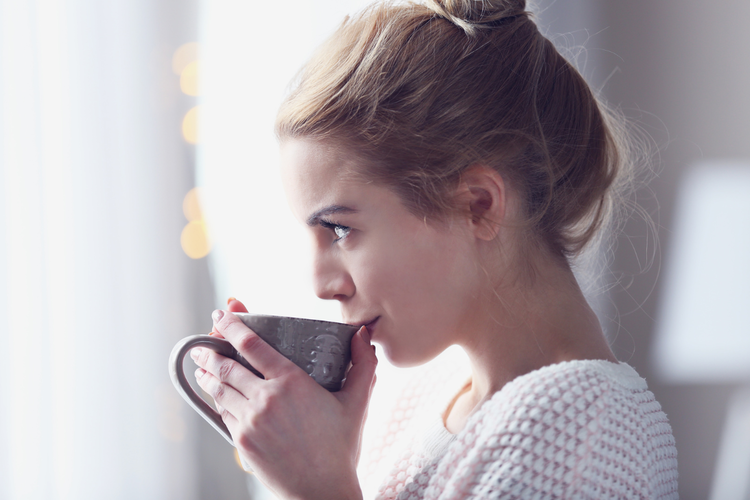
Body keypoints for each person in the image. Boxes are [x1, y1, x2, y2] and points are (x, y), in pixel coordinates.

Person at [190, 0, 679, 498]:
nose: (321, 284)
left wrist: (316, 487)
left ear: (478, 206)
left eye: (338, 229)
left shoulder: (579, 437)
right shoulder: (429, 395)